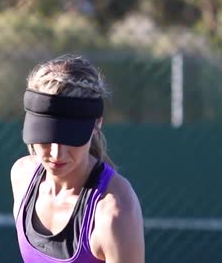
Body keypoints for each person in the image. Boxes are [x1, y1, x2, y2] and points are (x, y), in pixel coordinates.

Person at [11, 54, 144, 263]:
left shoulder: (114, 213)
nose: (56, 154)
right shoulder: (22, 176)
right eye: (46, 137)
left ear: (97, 124)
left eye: (70, 138)